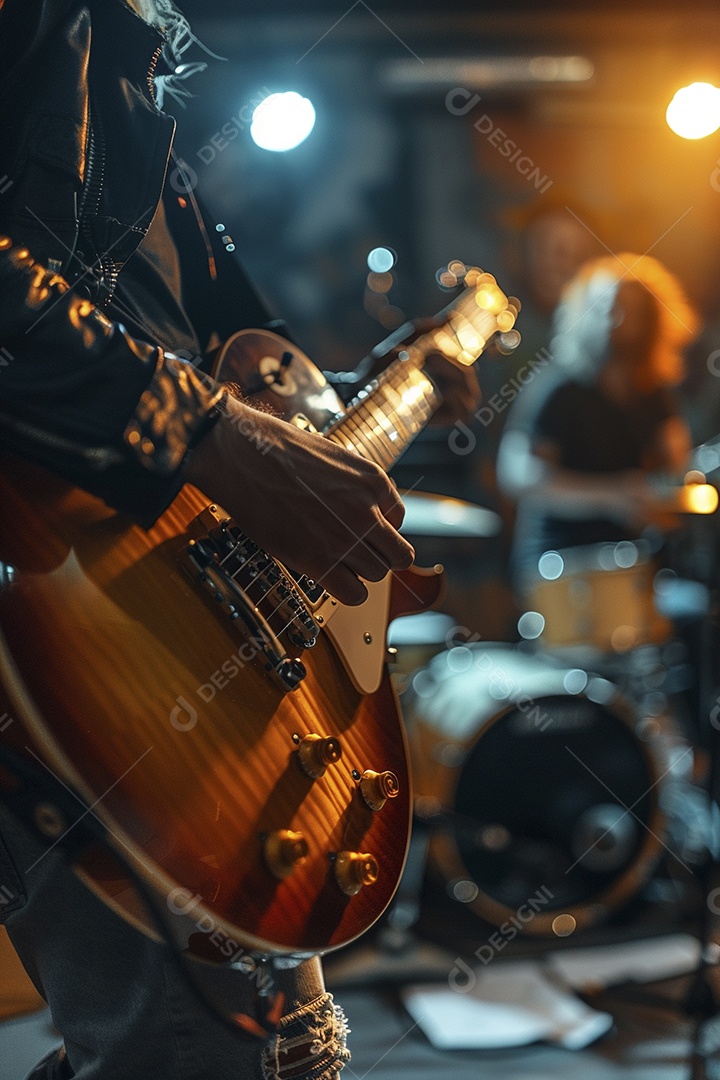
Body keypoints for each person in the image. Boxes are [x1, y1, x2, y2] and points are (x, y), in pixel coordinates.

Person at [0, 2, 480, 1078]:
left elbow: (198, 360)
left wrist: (365, 400)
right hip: (63, 593)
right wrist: (203, 431)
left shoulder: (128, 67)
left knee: (248, 1052)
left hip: (183, 608)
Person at [497, 253, 699, 588]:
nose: (622, 321)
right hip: (561, 563)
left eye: (635, 312)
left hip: (636, 562)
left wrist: (667, 493)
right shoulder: (560, 389)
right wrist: (611, 496)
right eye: (613, 308)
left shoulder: (654, 394)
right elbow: (518, 475)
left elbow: (677, 464)